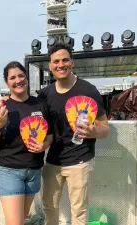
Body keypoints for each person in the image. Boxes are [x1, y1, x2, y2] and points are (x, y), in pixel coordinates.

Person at [38, 43, 110, 225]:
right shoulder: (44, 95)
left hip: (80, 161)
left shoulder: (88, 90)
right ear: (50, 65)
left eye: (65, 60)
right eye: (56, 61)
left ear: (72, 62)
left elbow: (105, 128)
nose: (60, 65)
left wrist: (94, 131)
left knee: (79, 211)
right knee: (49, 207)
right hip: (52, 160)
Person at [0, 61, 53, 225]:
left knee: (20, 220)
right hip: (9, 170)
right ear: (7, 82)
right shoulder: (2, 108)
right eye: (12, 78)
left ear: (27, 78)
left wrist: (44, 146)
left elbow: (50, 134)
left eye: (21, 75)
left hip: (33, 171)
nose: (18, 80)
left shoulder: (40, 104)